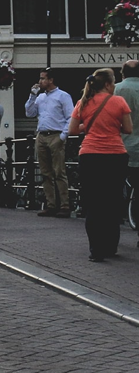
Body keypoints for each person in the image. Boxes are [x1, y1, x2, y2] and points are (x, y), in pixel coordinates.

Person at [68, 68, 133, 262]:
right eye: (113, 83)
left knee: (94, 203)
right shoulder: (119, 102)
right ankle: (110, 246)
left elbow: (72, 130)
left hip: (90, 155)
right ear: (107, 84)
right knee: (112, 201)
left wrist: (89, 125)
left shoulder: (83, 102)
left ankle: (95, 249)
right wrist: (112, 125)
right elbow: (128, 129)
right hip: (115, 155)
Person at [25, 68, 76, 217]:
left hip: (55, 134)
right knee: (45, 172)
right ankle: (50, 204)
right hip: (42, 134)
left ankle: (65, 205)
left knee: (59, 171)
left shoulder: (63, 96)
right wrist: (32, 96)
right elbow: (29, 113)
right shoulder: (40, 97)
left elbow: (71, 117)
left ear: (51, 80)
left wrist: (63, 136)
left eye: (43, 78)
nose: (40, 81)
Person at [117, 60, 139, 247]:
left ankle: (112, 231)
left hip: (118, 147)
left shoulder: (115, 90)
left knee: (113, 189)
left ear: (123, 73)